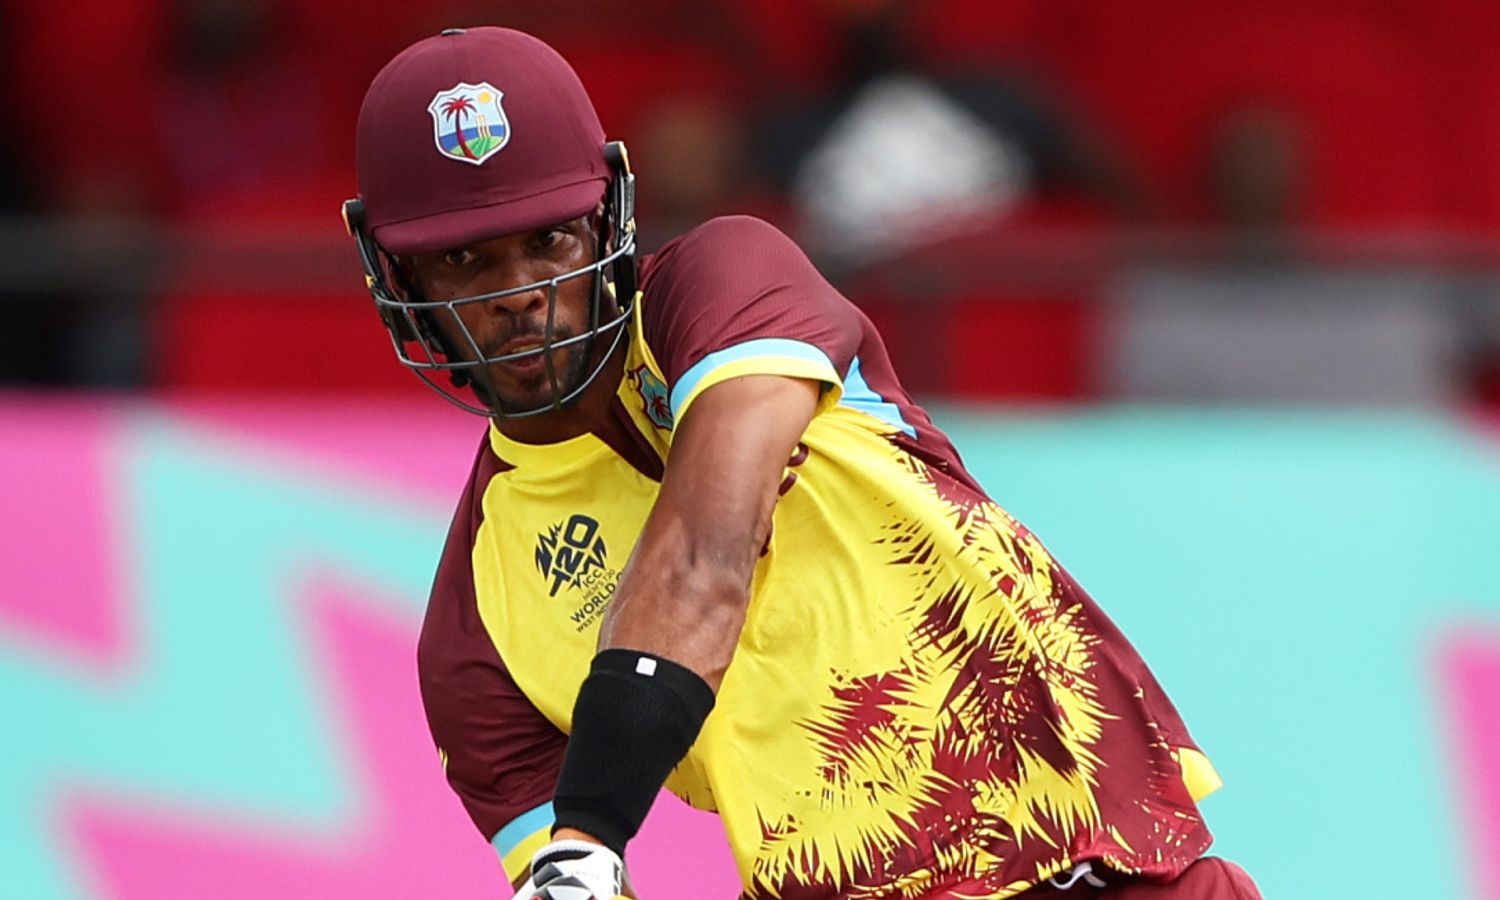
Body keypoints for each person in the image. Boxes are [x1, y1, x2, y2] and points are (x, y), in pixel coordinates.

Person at [344, 26, 1260, 900]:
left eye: (548, 239)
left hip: (1121, 867)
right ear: (399, 281)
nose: (521, 295)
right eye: (464, 258)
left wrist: (589, 829)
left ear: (609, 219)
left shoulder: (728, 280)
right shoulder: (471, 644)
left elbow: (708, 556)